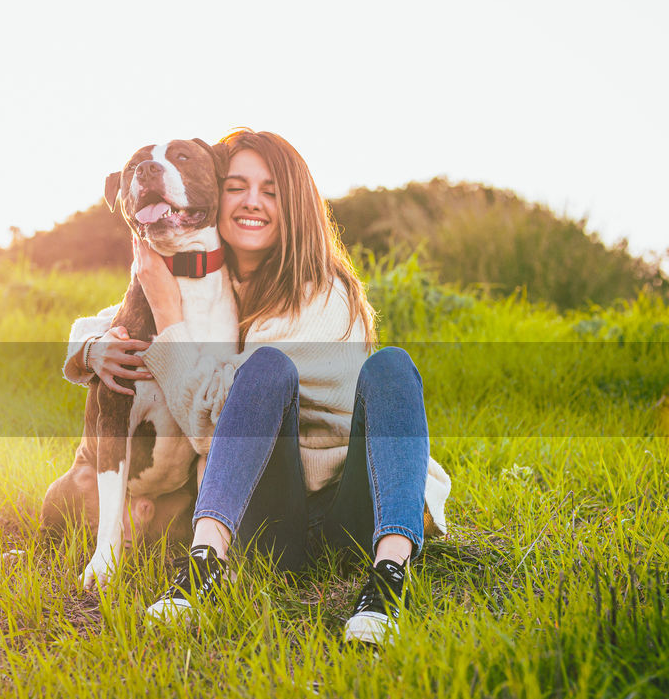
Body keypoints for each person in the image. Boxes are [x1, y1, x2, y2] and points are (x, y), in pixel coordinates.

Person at [58, 128, 451, 645]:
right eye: (237, 187)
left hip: (344, 507)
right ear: (216, 195)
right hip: (269, 517)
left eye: (270, 191)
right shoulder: (227, 280)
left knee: (389, 367)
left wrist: (171, 315)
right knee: (262, 367)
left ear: (297, 205)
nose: (251, 202)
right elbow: (122, 316)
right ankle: (202, 570)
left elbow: (214, 423)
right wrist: (91, 347)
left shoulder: (320, 296)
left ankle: (388, 580)